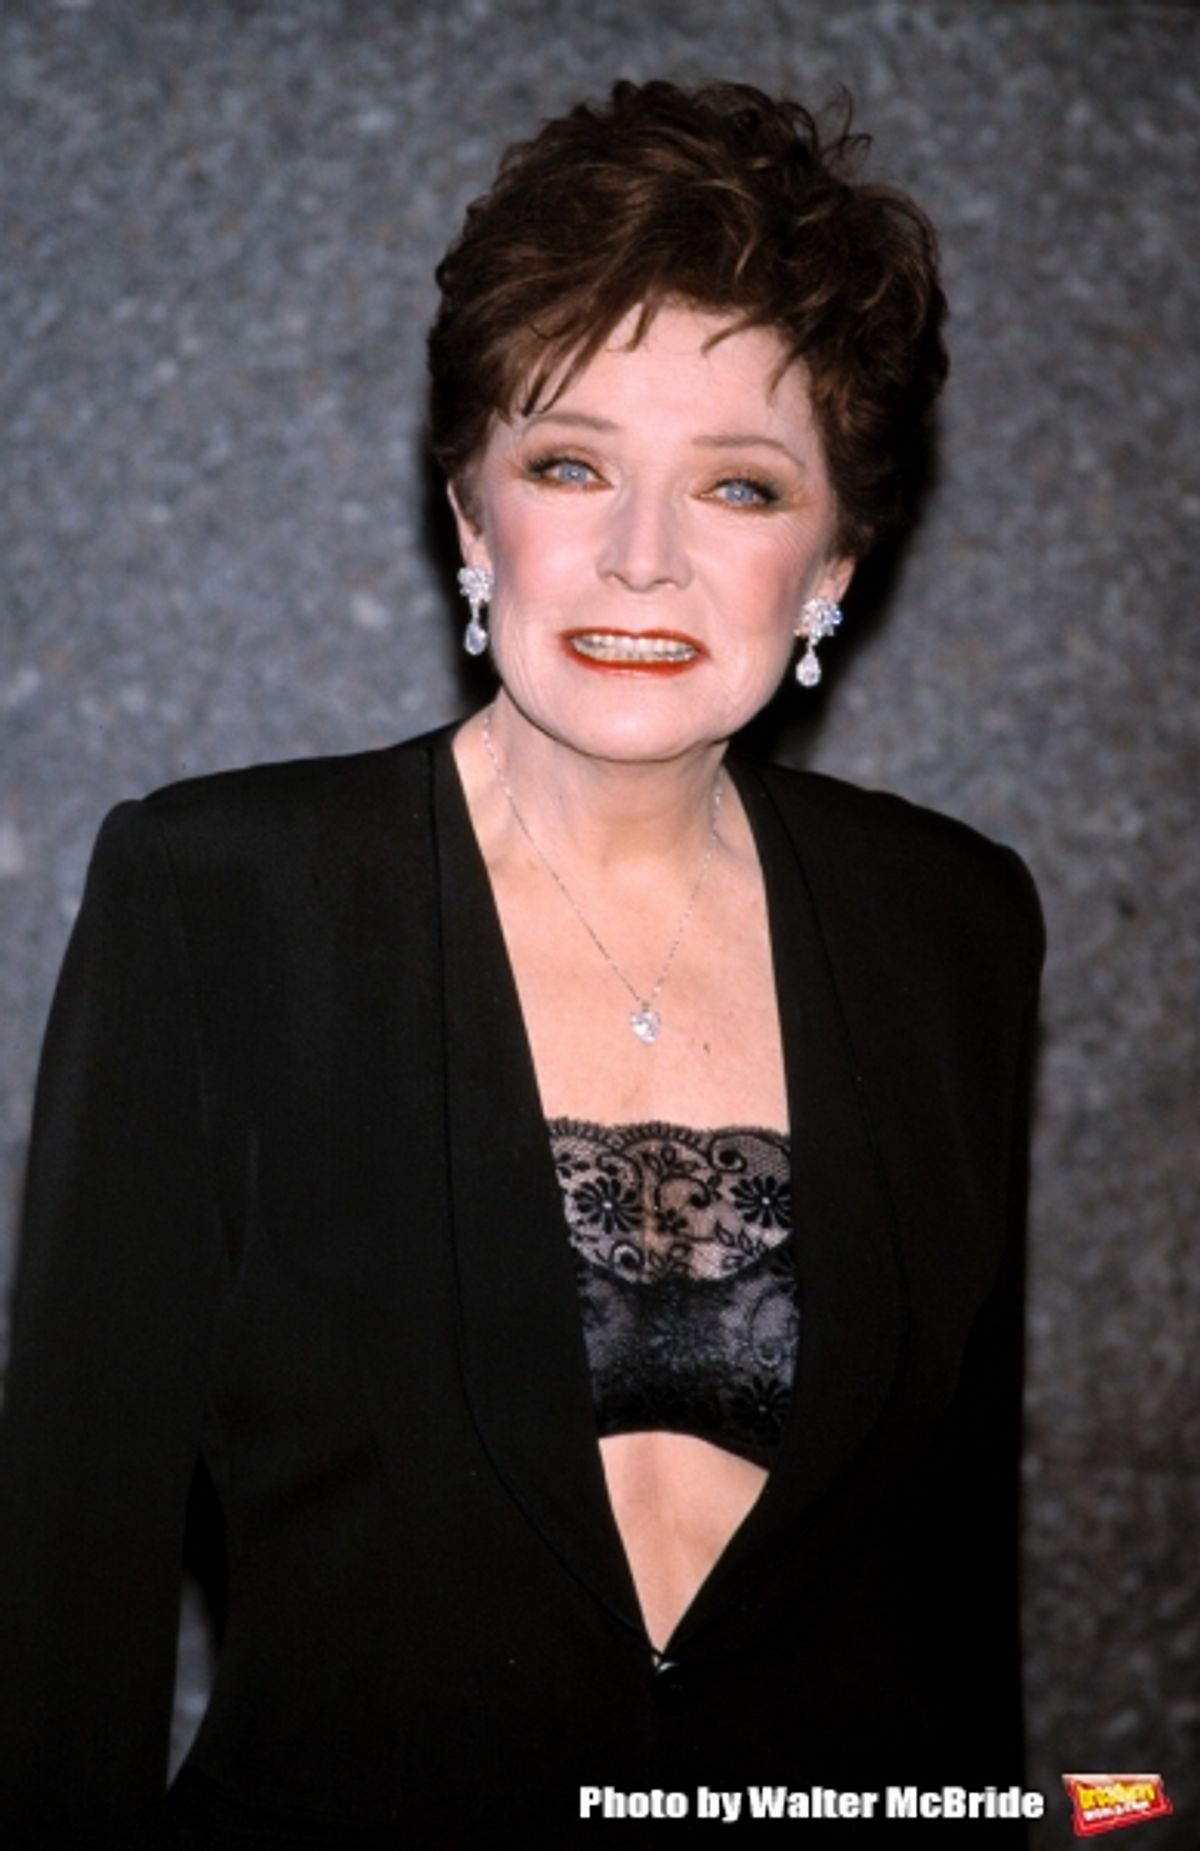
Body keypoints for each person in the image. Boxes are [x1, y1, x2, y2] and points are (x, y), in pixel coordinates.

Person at [0, 80, 1043, 1843]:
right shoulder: (219, 892)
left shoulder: (951, 922)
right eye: (571, 465)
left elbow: (952, 1582)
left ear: (836, 564)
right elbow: (65, 1583)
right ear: (474, 519)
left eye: (738, 483)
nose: (643, 556)